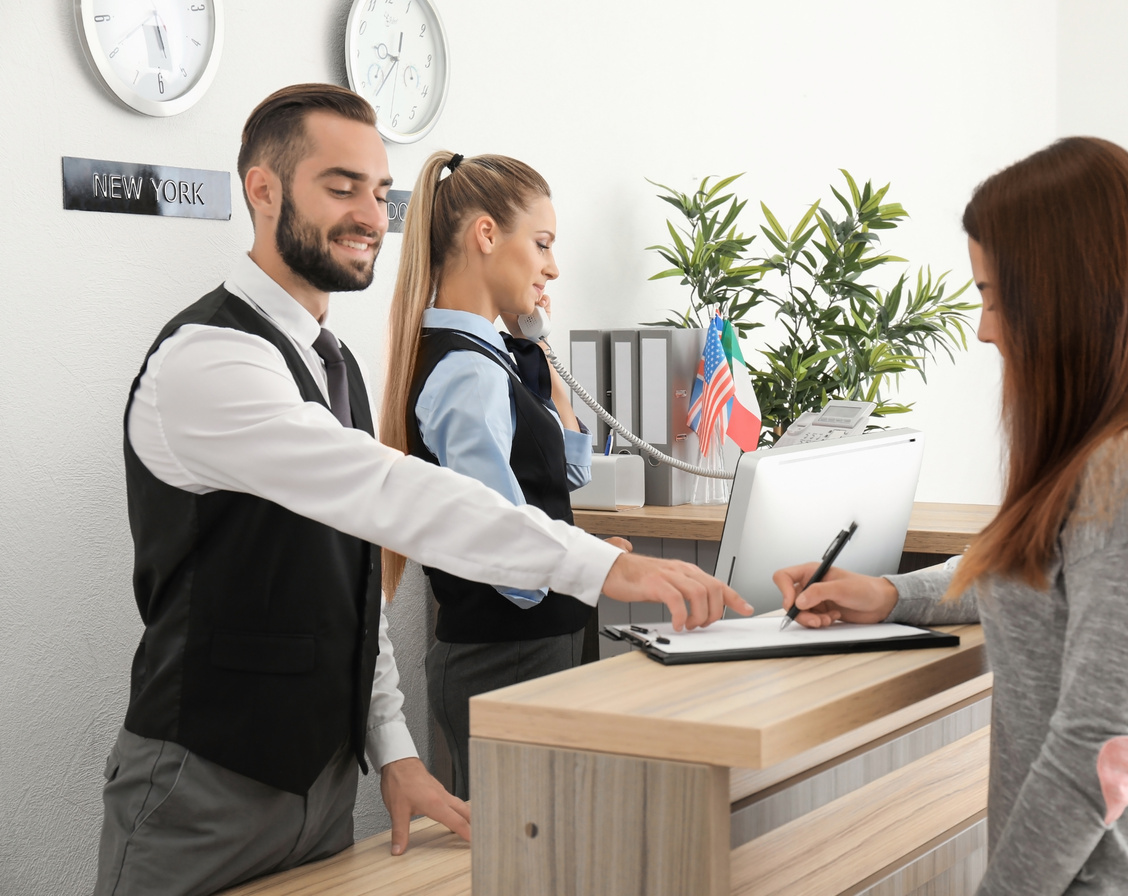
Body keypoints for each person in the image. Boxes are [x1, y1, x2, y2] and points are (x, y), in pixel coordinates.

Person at [97, 83, 750, 896]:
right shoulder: (210, 359)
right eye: (340, 188)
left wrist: (394, 751)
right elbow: (395, 493)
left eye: (379, 192)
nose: (371, 215)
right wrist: (599, 567)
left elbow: (352, 583)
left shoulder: (332, 364)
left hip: (322, 792)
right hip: (204, 787)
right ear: (262, 192)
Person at [773, 137, 1128, 895]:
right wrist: (894, 596)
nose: (984, 329)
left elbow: (1097, 749)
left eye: (992, 296)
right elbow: (1056, 582)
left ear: (1068, 297)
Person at [377, 150, 623, 799]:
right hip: (511, 653)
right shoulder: (465, 372)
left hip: (538, 642)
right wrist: (584, 564)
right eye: (541, 243)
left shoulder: (491, 357)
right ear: (486, 236)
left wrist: (543, 360)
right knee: (527, 853)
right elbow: (507, 553)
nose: (553, 266)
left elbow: (564, 475)